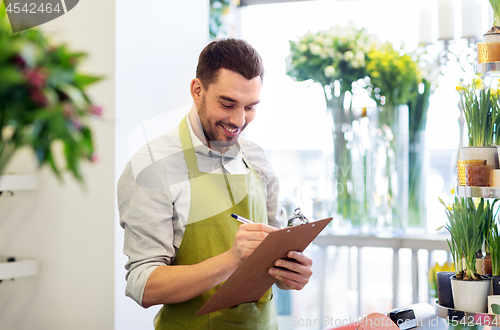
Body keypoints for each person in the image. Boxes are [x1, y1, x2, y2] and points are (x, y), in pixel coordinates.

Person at [118, 38, 313, 329]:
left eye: (250, 107)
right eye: (227, 103)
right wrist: (232, 259)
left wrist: (292, 274)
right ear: (198, 90)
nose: (239, 120)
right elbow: (144, 286)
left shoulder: (256, 158)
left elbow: (275, 256)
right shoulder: (153, 167)